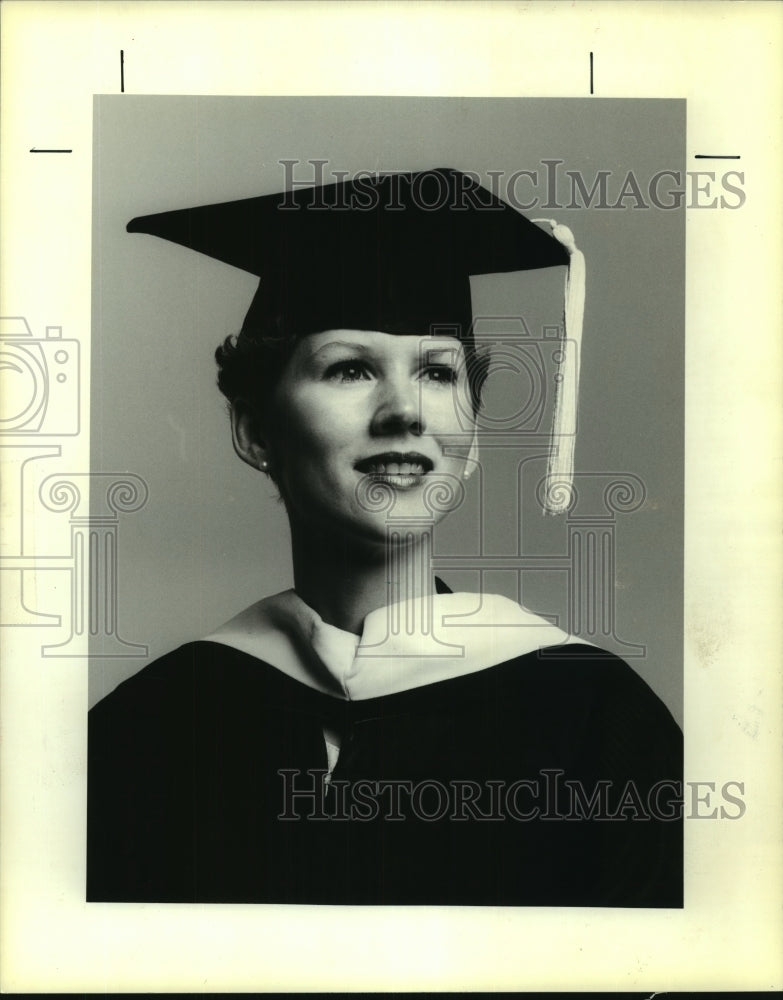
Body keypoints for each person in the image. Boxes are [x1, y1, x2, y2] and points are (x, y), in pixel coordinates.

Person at [87, 168, 682, 906]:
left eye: (437, 371)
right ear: (254, 430)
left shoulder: (597, 720)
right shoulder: (143, 734)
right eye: (350, 368)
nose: (404, 411)